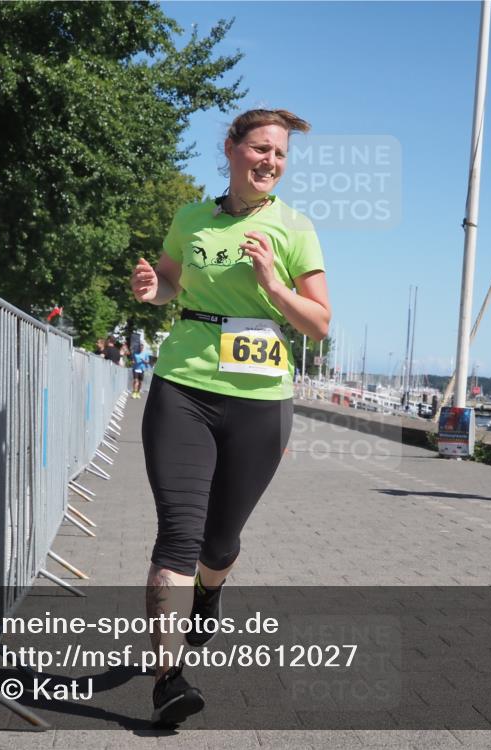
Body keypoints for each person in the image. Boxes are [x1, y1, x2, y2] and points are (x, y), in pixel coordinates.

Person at [130, 108, 330, 725]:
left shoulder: (296, 229)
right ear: (232, 148)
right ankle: (168, 681)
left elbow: (319, 324)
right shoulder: (191, 218)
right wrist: (151, 288)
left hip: (260, 399)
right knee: (178, 538)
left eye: (281, 154)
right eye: (261, 149)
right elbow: (169, 284)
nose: (271, 161)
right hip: (183, 385)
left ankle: (210, 592)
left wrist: (273, 283)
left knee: (219, 544)